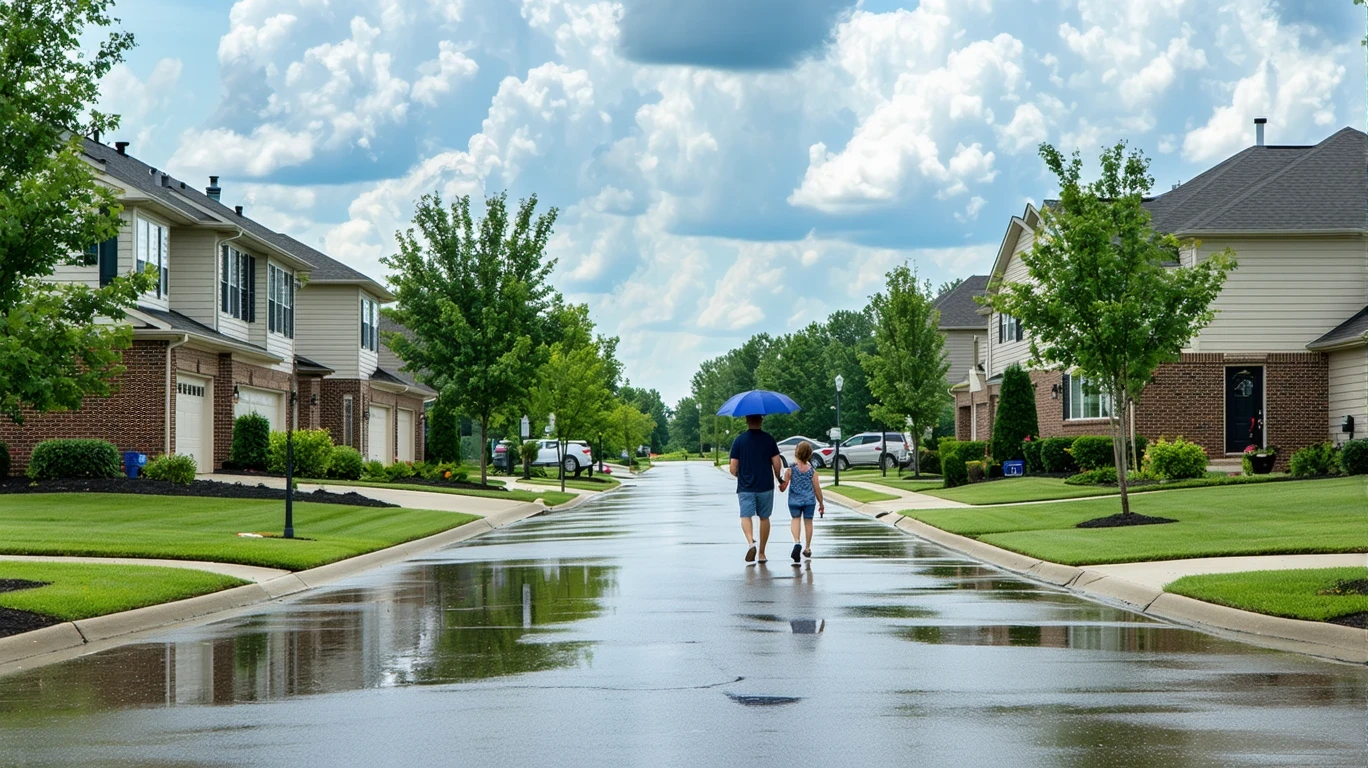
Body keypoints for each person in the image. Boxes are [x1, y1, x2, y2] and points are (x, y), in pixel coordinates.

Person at [729, 413, 785, 564]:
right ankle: (762, 553)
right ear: (761, 420)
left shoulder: (739, 441)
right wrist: (778, 477)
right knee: (764, 517)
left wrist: (738, 475)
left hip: (745, 486)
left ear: (746, 420)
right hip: (765, 485)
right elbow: (777, 462)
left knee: (746, 516)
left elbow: (733, 467)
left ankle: (750, 542)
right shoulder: (769, 439)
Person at [782, 440, 825, 563]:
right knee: (808, 522)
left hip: (794, 501)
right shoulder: (812, 471)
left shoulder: (790, 470)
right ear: (809, 454)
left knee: (795, 520)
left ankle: (797, 541)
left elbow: (783, 487)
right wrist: (821, 503)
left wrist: (781, 483)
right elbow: (817, 489)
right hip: (809, 501)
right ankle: (807, 547)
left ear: (796, 453)